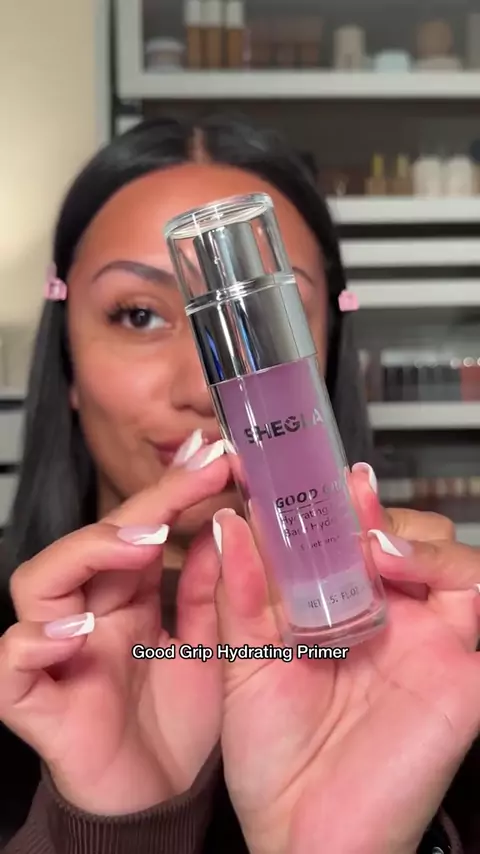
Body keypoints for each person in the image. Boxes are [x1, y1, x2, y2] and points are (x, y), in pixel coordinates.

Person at [0, 113, 479, 853]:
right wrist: (113, 830)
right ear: (65, 358)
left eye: (265, 322)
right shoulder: (28, 662)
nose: (207, 388)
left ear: (324, 346)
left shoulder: (440, 659)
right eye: (137, 315)